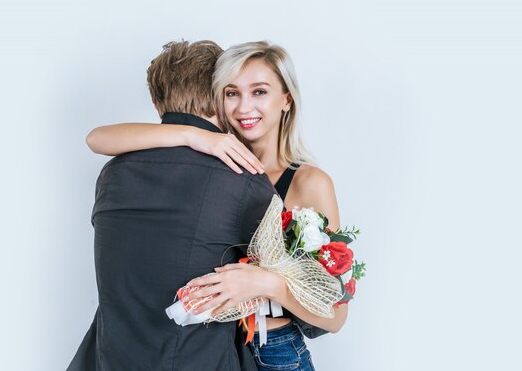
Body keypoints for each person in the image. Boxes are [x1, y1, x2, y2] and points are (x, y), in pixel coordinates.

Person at [86, 41, 349, 371]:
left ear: (286, 100)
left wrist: (266, 284)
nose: (243, 107)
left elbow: (335, 315)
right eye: (231, 93)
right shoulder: (215, 170)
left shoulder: (309, 182)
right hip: (218, 350)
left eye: (259, 92)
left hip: (274, 354)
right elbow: (98, 139)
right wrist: (193, 136)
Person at [67, 40, 276, 371]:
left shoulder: (112, 173)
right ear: (221, 95)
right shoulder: (245, 179)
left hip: (110, 361)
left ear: (155, 100)